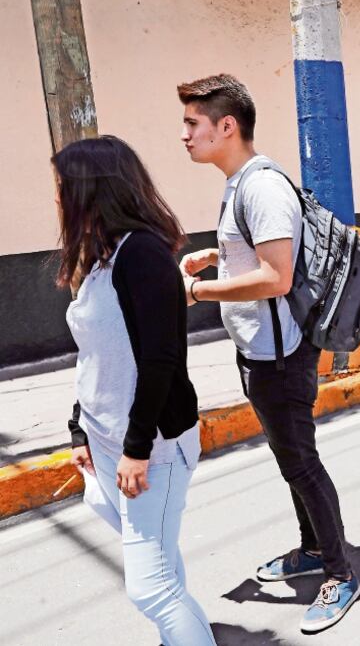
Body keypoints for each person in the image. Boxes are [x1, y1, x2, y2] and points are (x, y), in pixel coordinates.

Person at [177, 74, 358, 632]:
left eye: (192, 124)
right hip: (260, 348)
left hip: (279, 355)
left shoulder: (260, 186)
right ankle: (311, 549)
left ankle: (340, 572)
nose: (184, 135)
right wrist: (218, 257)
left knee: (301, 463)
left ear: (226, 126)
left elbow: (276, 277)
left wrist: (197, 291)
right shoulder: (240, 184)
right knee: (291, 462)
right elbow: (257, 252)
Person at [59, 136, 215, 645]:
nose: (59, 199)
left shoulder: (140, 252)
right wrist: (79, 426)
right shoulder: (100, 254)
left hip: (153, 448)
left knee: (150, 588)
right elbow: (96, 352)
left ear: (94, 190)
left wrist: (136, 449)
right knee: (161, 567)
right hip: (106, 441)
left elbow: (159, 359)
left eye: (66, 187)